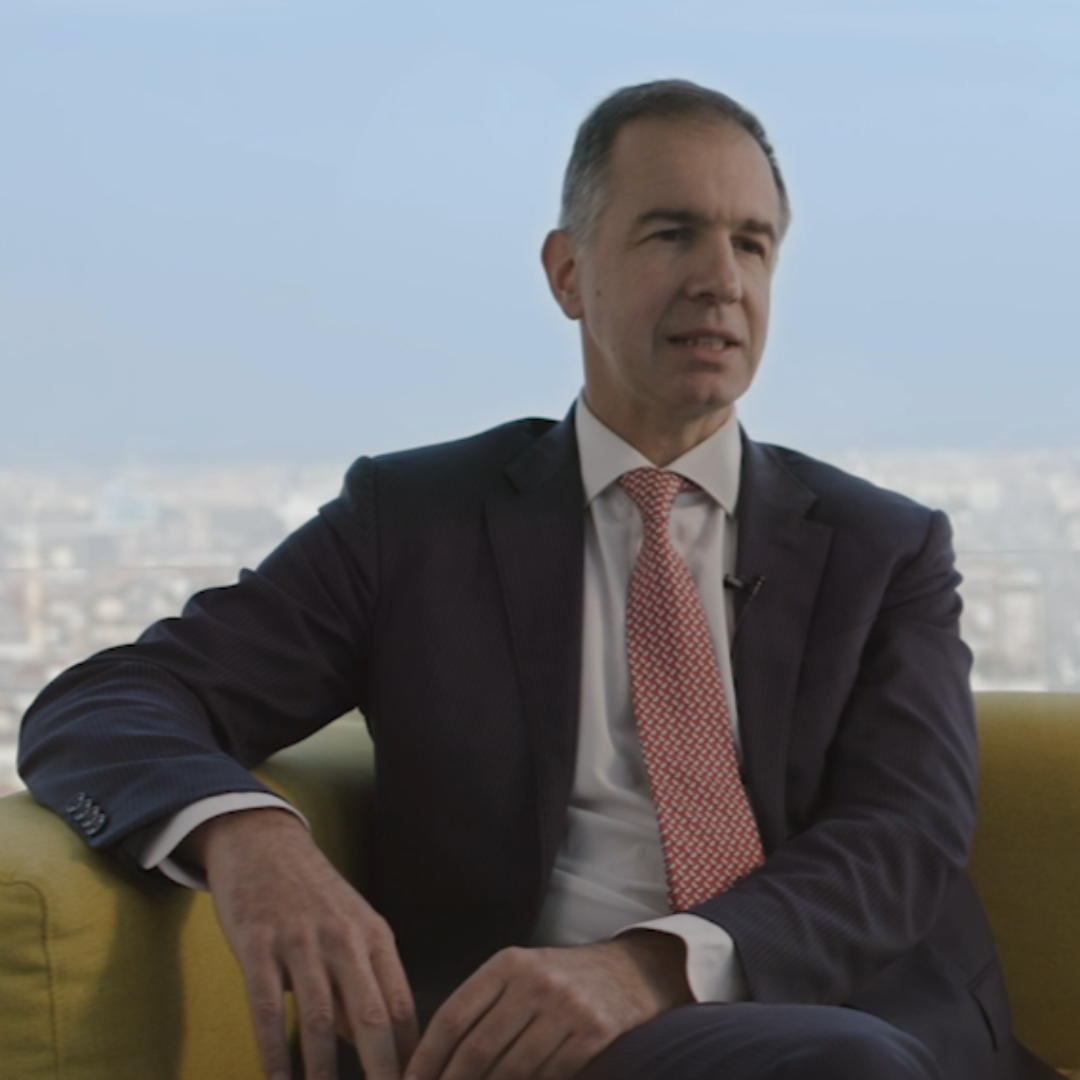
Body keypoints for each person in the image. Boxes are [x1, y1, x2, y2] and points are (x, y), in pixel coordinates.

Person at [18, 80, 1056, 1080]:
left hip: (851, 1020)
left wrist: (649, 968)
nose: (721, 279)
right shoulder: (413, 523)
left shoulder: (883, 547)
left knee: (842, 1060)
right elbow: (105, 701)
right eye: (672, 233)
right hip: (540, 1040)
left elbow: (902, 836)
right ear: (567, 273)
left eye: (752, 244)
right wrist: (249, 835)